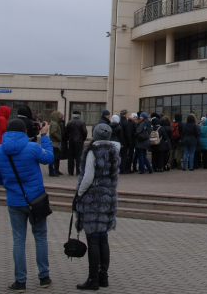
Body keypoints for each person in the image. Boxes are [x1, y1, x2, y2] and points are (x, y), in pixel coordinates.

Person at [0, 118, 54, 291]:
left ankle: (20, 281)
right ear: (24, 131)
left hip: (15, 201)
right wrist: (45, 137)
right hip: (36, 200)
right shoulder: (32, 148)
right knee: (40, 237)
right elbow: (49, 158)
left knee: (18, 240)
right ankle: (44, 277)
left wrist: (10, 184)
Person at [74, 123, 120, 290]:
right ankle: (103, 277)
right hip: (107, 197)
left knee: (93, 239)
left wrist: (79, 194)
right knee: (103, 239)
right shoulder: (114, 150)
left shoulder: (93, 151)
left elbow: (88, 177)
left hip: (93, 198)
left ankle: (93, 279)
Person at [65, 112, 88, 176]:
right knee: (79, 157)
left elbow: (66, 132)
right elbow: (84, 132)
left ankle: (70, 171)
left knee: (71, 157)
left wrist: (68, 139)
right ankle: (78, 171)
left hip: (71, 141)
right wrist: (83, 139)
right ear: (79, 116)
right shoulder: (82, 122)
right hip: (79, 142)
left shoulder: (69, 122)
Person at [48, 111, 63, 177]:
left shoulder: (54, 123)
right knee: (53, 157)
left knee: (54, 157)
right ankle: (52, 171)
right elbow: (53, 132)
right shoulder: (55, 124)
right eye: (59, 116)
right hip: (54, 142)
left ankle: (54, 170)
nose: (61, 117)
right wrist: (59, 138)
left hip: (54, 142)